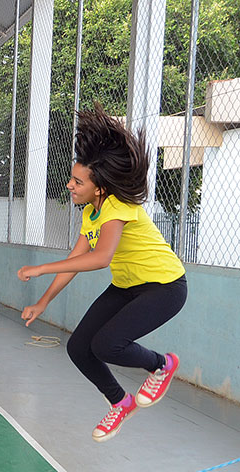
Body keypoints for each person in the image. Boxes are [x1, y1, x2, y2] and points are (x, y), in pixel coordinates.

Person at [17, 103, 187, 443]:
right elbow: (77, 258)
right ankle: (120, 402)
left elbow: (100, 258)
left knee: (108, 344)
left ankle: (162, 364)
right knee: (79, 347)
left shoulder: (118, 205)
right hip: (127, 287)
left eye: (77, 181)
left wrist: (42, 267)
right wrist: (43, 302)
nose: (69, 185)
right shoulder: (91, 213)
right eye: (71, 178)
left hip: (164, 287)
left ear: (99, 187)